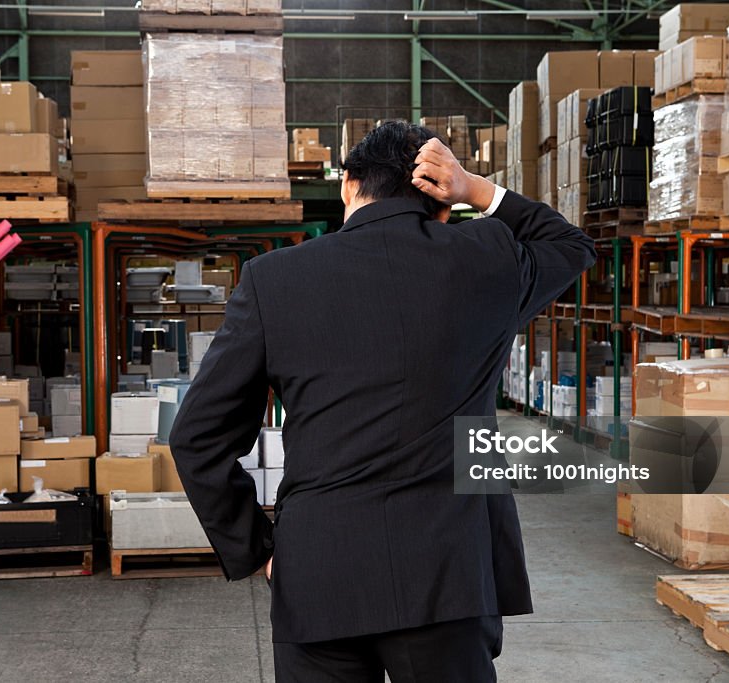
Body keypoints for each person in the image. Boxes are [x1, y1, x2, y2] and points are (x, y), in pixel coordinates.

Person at [169, 120, 597, 682]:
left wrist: (256, 549)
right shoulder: (484, 261)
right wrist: (476, 189)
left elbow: (196, 437)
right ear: (439, 202)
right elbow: (571, 245)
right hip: (447, 572)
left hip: (321, 567)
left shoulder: (274, 280)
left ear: (348, 185)